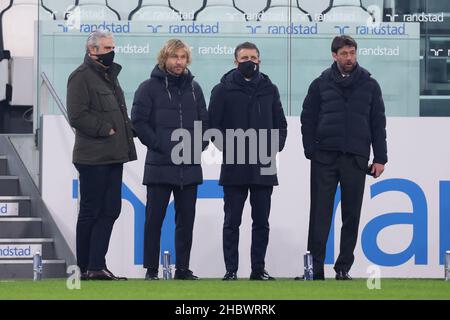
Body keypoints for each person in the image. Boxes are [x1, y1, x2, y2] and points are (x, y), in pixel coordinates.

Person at [300, 35, 387, 280]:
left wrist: (380, 157)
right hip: (324, 158)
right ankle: (314, 269)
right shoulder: (320, 84)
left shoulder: (370, 85)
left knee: (351, 215)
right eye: (345, 54)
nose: (349, 58)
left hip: (356, 159)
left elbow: (378, 124)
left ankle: (343, 268)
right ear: (334, 55)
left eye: (352, 53)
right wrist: (311, 150)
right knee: (319, 214)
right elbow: (308, 119)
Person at [209, 42, 288, 281]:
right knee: (232, 222)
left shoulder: (270, 89)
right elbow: (212, 127)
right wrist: (230, 150)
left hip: (264, 165)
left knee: (261, 222)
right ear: (236, 61)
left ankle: (258, 270)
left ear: (259, 60)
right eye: (244, 57)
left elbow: (280, 125)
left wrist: (273, 148)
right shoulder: (222, 89)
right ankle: (230, 270)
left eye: (253, 57)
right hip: (234, 166)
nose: (249, 61)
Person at [131, 39, 209, 281]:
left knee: (186, 222)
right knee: (154, 220)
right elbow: (139, 123)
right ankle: (151, 270)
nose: (179, 62)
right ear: (164, 58)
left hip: (190, 167)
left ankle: (183, 269)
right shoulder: (147, 87)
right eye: (174, 57)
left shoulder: (195, 89)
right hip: (159, 166)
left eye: (183, 57)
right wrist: (160, 145)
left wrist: (198, 146)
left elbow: (205, 124)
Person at [67, 30, 137, 280]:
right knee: (91, 211)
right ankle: (84, 267)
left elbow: (117, 112)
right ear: (92, 50)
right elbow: (76, 115)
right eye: (107, 48)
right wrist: (105, 129)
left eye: (112, 47)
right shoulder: (80, 77)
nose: (112, 51)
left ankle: (97, 266)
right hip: (92, 158)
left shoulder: (109, 76)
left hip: (113, 156)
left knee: (111, 210)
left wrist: (129, 130)